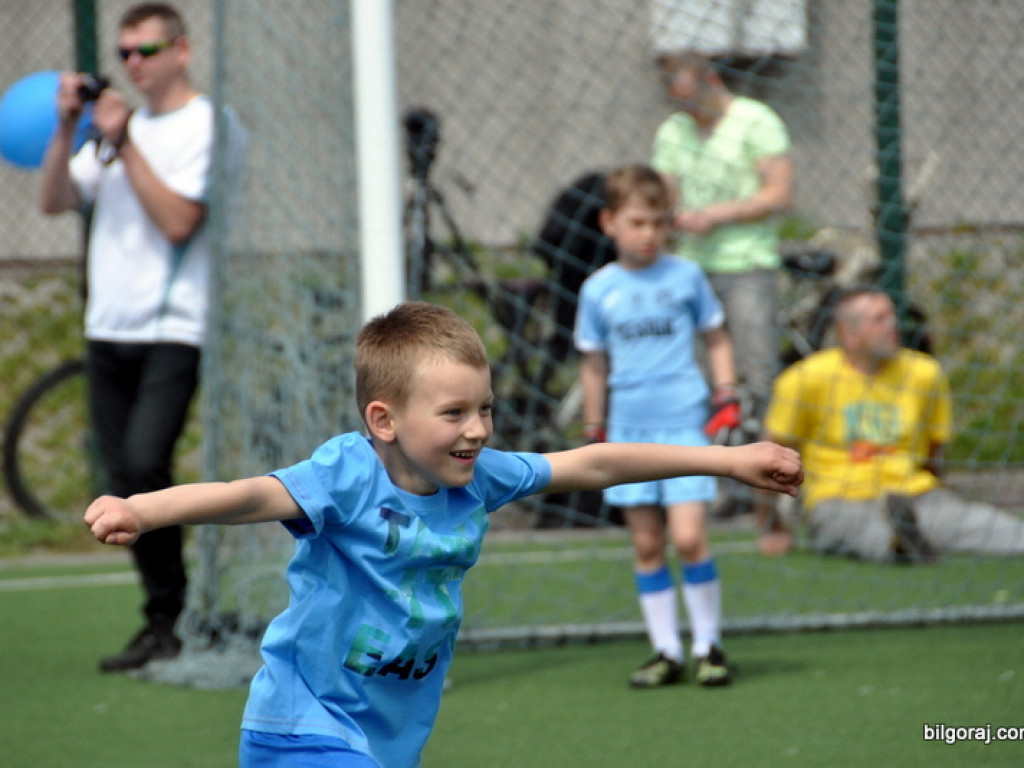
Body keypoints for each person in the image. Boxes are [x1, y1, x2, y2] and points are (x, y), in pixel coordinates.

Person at [85, 301, 803, 768]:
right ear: (384, 420)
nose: (478, 429)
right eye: (455, 413)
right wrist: (145, 510)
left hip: (390, 731)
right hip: (307, 721)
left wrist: (730, 460)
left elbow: (595, 462)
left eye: (484, 409)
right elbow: (246, 495)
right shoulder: (345, 476)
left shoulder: (481, 477)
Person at [39, 3, 245, 672]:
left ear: (180, 51)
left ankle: (173, 616)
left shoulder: (205, 125)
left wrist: (125, 144)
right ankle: (162, 617)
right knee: (123, 472)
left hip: (172, 328)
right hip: (108, 330)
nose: (133, 64)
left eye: (146, 50)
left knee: (143, 466)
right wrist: (70, 125)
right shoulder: (110, 130)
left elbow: (181, 220)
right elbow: (53, 200)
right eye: (124, 54)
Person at [573, 165, 742, 688]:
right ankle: (665, 650)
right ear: (610, 223)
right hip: (628, 432)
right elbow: (594, 363)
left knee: (689, 538)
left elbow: (716, 337)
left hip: (686, 426)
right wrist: (595, 427)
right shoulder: (599, 289)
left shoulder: (686, 276)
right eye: (638, 221)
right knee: (648, 545)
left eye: (659, 222)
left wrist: (727, 394)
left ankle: (708, 645)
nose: (649, 233)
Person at [760, 286, 1024, 561]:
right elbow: (769, 456)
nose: (893, 325)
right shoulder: (805, 378)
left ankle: (908, 539)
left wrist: (932, 489)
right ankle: (900, 546)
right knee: (852, 529)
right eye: (879, 319)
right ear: (850, 335)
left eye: (893, 316)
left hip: (915, 494)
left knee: (984, 524)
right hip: (839, 498)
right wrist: (772, 527)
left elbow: (935, 452)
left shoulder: (924, 373)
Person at [651, 51, 794, 461]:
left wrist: (717, 214)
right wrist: (669, 214)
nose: (688, 112)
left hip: (748, 264)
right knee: (698, 376)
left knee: (756, 372)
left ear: (712, 81)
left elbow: (780, 193)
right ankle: (711, 470)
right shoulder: (674, 131)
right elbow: (664, 193)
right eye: (680, 104)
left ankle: (766, 469)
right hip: (693, 268)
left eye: (693, 101)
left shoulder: (756, 120)